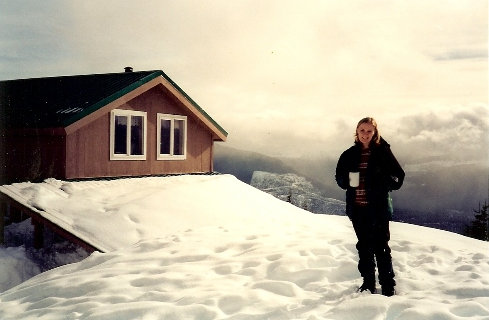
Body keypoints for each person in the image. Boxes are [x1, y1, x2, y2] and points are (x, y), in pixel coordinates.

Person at [335, 117, 405, 296]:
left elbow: (398, 176)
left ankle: (388, 285)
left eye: (369, 131)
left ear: (375, 133)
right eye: (362, 130)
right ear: (356, 132)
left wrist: (382, 181)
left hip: (379, 209)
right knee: (364, 247)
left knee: (381, 247)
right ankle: (368, 283)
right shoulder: (349, 154)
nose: (365, 134)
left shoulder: (382, 152)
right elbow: (340, 179)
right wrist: (350, 180)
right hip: (358, 209)